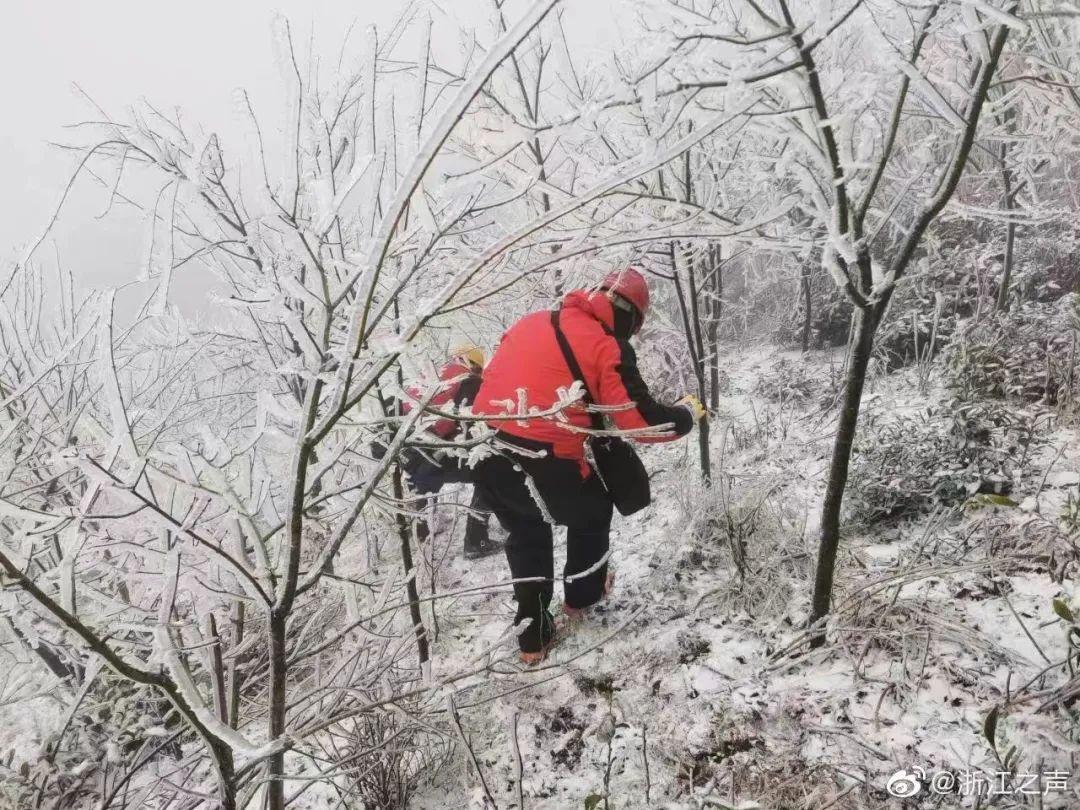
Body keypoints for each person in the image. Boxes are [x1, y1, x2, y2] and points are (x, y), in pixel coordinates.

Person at [471, 269, 705, 663]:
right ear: (629, 313)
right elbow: (645, 425)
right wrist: (685, 413)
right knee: (592, 512)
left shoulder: (530, 322)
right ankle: (582, 596)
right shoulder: (605, 344)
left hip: (487, 450)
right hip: (547, 460)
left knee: (526, 531)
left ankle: (533, 639)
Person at [398, 345, 501, 559]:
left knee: (428, 476)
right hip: (434, 456)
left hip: (412, 455)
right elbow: (472, 423)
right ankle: (476, 541)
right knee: (491, 473)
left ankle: (423, 534)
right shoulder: (468, 381)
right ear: (474, 365)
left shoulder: (431, 376)